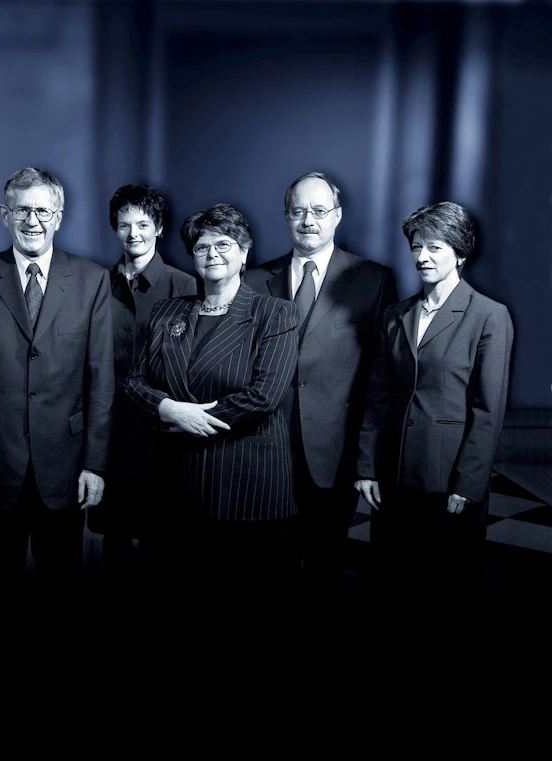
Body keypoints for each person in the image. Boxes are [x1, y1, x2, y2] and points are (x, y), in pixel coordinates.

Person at [0, 167, 114, 589]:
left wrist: (95, 463)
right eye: (22, 210)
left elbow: (101, 382)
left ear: (58, 215)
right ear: (5, 215)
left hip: (66, 467)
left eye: (42, 210)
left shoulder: (92, 281)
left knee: (63, 578)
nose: (32, 221)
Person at [125, 204, 299, 601]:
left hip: (244, 485)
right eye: (202, 247)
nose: (213, 254)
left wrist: (188, 418)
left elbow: (264, 395)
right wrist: (168, 409)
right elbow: (134, 381)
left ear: (244, 253)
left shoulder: (274, 313)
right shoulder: (168, 311)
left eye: (224, 244)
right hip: (174, 484)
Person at [246, 172, 397, 590]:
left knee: (324, 569)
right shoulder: (256, 281)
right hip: (266, 454)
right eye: (298, 211)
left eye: (318, 211)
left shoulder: (373, 279)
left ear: (337, 216)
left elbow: (379, 382)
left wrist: (367, 459)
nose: (308, 220)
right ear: (286, 216)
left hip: (335, 454)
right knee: (267, 568)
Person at [356, 201, 513, 598]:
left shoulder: (488, 316)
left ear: (461, 253)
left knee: (445, 584)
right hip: (392, 476)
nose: (422, 257)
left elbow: (488, 409)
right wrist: (366, 466)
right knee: (391, 578)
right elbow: (377, 396)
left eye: (435, 247)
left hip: (448, 480)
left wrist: (470, 482)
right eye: (416, 246)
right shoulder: (396, 313)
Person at [86, 184, 196, 581]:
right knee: (112, 534)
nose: (134, 233)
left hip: (163, 433)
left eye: (143, 224)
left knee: (161, 539)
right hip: (110, 430)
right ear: (114, 228)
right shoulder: (96, 283)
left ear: (159, 227)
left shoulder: (185, 286)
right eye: (124, 224)